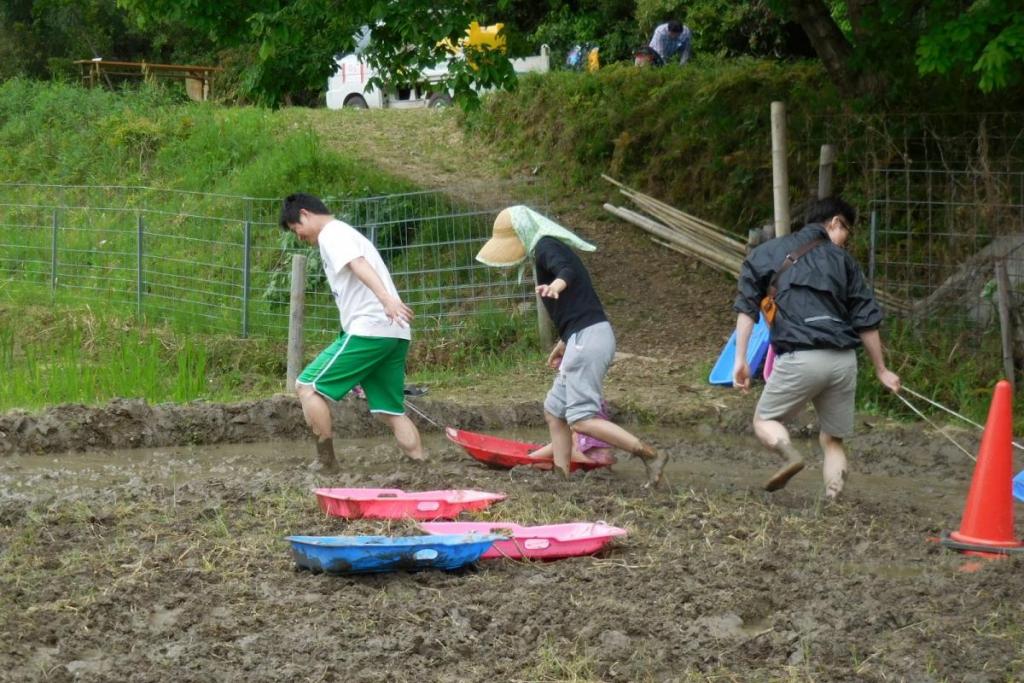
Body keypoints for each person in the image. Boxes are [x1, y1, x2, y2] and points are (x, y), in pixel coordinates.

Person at [476, 206, 667, 487]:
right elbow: (579, 307)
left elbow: (567, 273)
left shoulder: (545, 247)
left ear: (522, 233)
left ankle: (650, 454)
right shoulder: (547, 248)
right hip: (584, 336)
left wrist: (557, 285)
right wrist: (563, 342)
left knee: (580, 419)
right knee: (554, 410)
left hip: (588, 339)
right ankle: (561, 475)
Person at [732, 196, 900, 499]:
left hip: (801, 357)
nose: (845, 240)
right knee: (833, 440)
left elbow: (747, 308)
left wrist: (741, 358)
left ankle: (791, 456)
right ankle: (833, 500)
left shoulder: (767, 253)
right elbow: (865, 319)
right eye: (846, 230)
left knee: (765, 420)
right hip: (844, 361)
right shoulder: (845, 262)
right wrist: (882, 369)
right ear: (835, 223)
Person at [279, 193, 425, 472]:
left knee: (307, 386)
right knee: (389, 411)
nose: (298, 237)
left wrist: (386, 299)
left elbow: (359, 265)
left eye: (295, 229)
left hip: (370, 329)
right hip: (394, 334)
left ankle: (326, 462)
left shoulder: (332, 234)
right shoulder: (345, 233)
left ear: (306, 214)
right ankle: (421, 467)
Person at [527, 400, 618, 466]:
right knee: (569, 438)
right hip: (607, 459)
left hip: (591, 461)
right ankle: (543, 462)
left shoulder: (578, 404)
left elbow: (564, 435)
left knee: (561, 443)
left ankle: (529, 459)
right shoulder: (597, 402)